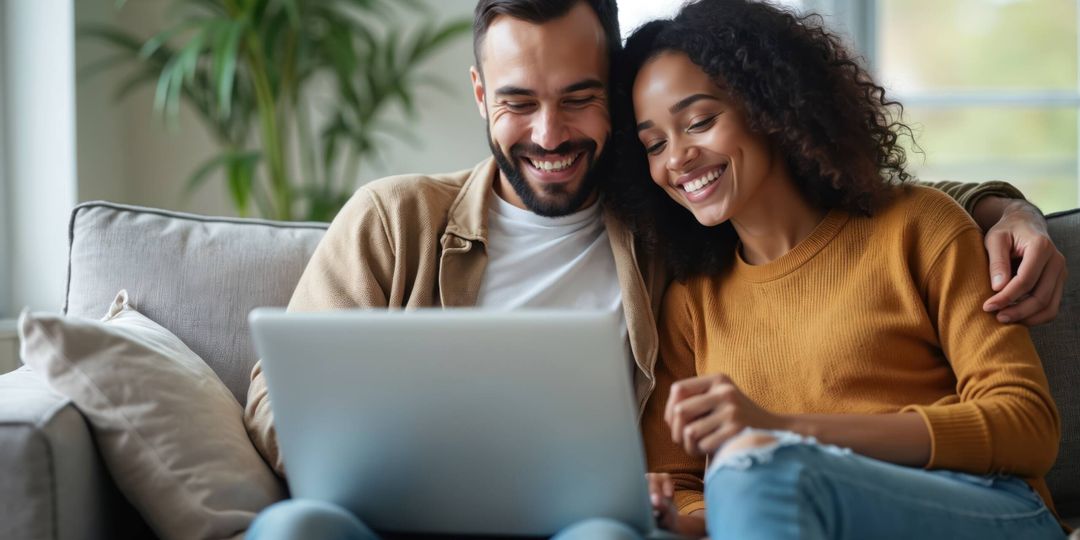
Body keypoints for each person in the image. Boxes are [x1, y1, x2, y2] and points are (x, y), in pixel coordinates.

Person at [243, 0, 1067, 538]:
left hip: (961, 509)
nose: (548, 132)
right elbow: (677, 481)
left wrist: (1004, 206)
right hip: (392, 516)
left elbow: (1021, 416)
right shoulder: (400, 221)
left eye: (578, 97)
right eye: (518, 101)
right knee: (289, 531)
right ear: (479, 92)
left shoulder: (672, 241)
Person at [613, 0, 1068, 538]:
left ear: (772, 107)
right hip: (795, 511)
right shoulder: (692, 300)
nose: (677, 158)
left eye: (700, 121)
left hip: (987, 507)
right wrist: (671, 517)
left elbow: (1027, 426)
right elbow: (679, 483)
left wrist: (784, 433)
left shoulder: (920, 227)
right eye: (655, 144)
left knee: (760, 470)